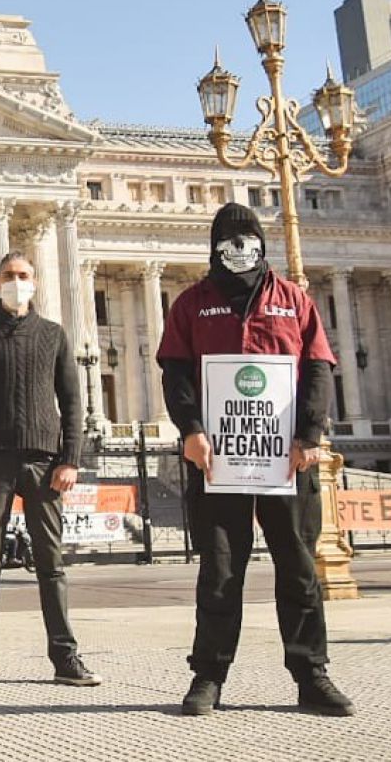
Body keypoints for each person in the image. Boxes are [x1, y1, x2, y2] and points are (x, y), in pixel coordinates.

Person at [157, 202, 354, 718]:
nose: (239, 246)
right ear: (214, 246)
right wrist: (191, 430)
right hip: (217, 459)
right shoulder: (192, 303)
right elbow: (175, 372)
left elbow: (318, 367)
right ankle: (209, 675)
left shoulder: (293, 299)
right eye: (229, 238)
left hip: (286, 459)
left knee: (298, 565)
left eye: (248, 237)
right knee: (220, 570)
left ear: (262, 244)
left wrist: (309, 434)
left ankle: (311, 674)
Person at [0, 252, 99, 691]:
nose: (17, 282)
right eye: (9, 276)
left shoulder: (53, 334)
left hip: (44, 462)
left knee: (51, 563)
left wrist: (71, 459)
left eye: (24, 275)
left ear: (34, 282)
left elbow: (71, 402)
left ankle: (65, 657)